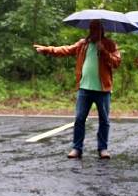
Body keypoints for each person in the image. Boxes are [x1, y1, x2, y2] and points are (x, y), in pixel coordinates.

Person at [33, 19, 122, 159]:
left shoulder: (109, 44)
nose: (93, 31)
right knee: (79, 119)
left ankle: (103, 149)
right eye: (91, 28)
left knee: (104, 120)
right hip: (84, 88)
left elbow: (117, 62)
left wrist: (103, 51)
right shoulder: (83, 44)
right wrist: (48, 50)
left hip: (103, 90)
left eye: (96, 29)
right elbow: (66, 50)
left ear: (101, 30)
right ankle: (77, 148)